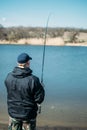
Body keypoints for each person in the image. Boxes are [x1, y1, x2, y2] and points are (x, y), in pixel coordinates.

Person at [5, 53, 45, 130]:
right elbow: (39, 99)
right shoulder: (33, 80)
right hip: (28, 116)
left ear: (18, 63)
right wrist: (41, 88)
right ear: (28, 63)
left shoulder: (8, 76)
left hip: (13, 113)